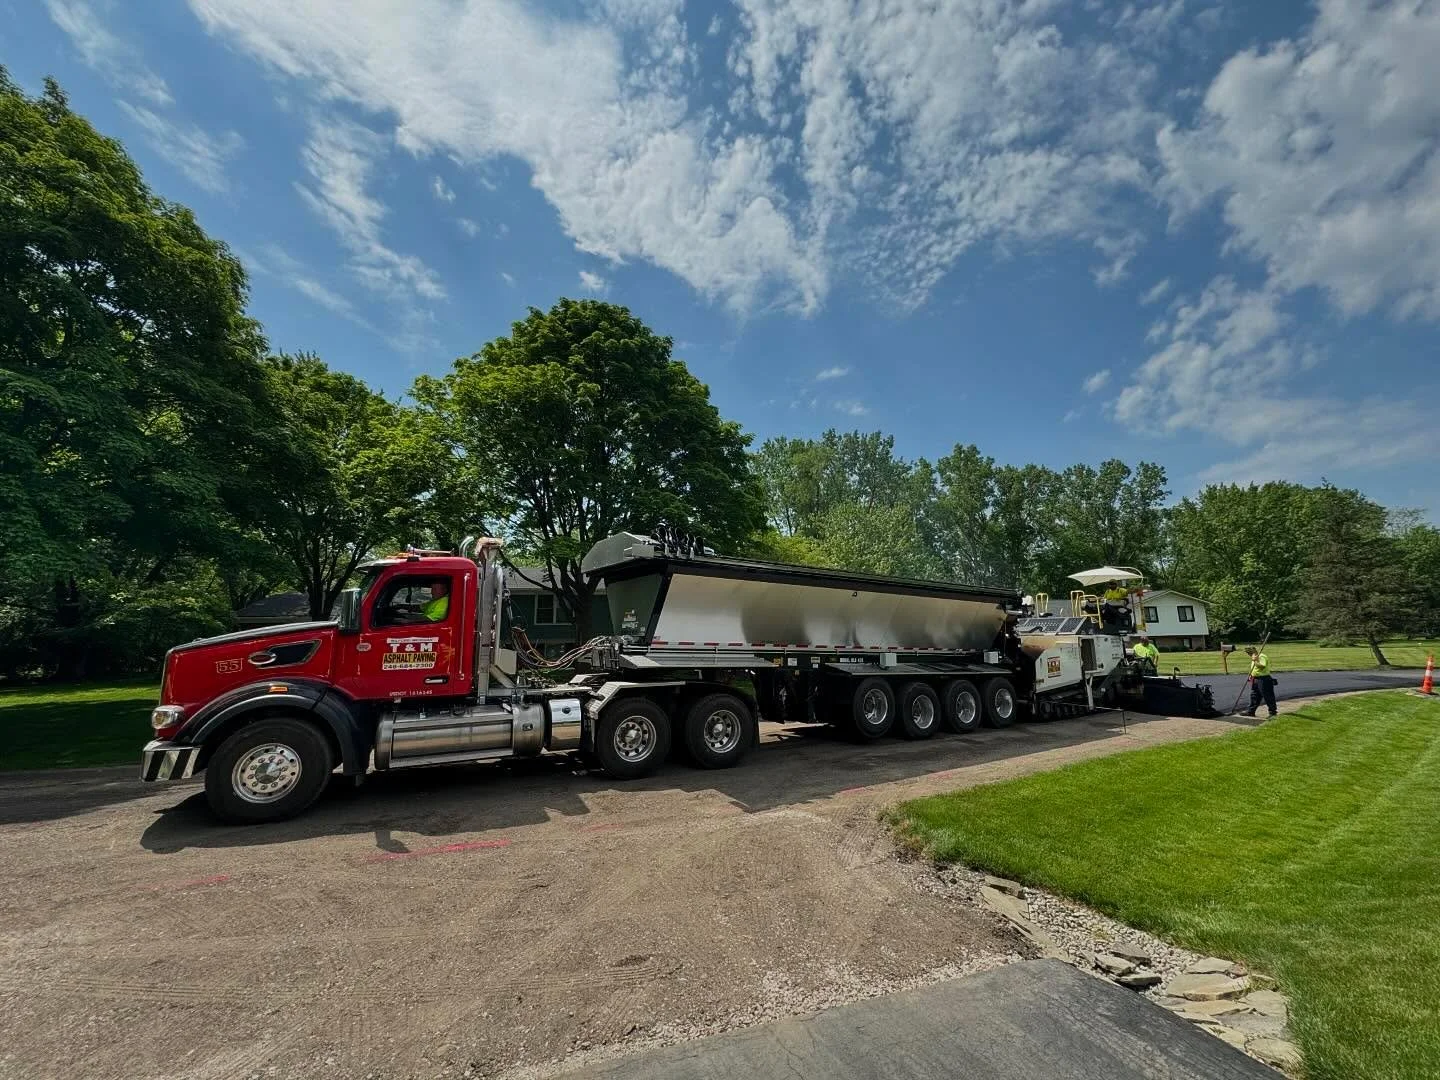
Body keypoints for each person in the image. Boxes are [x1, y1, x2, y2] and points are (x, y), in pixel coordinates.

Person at [1243, 646, 1276, 718]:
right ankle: (1251, 711)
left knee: (1267, 696)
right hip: (1255, 679)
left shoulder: (1261, 656)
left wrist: (1255, 660)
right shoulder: (1254, 656)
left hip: (1264, 679)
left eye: (1249, 652)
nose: (1248, 654)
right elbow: (1254, 668)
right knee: (1254, 696)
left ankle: (1272, 713)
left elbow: (1262, 666)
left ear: (1252, 651)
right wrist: (1251, 675)